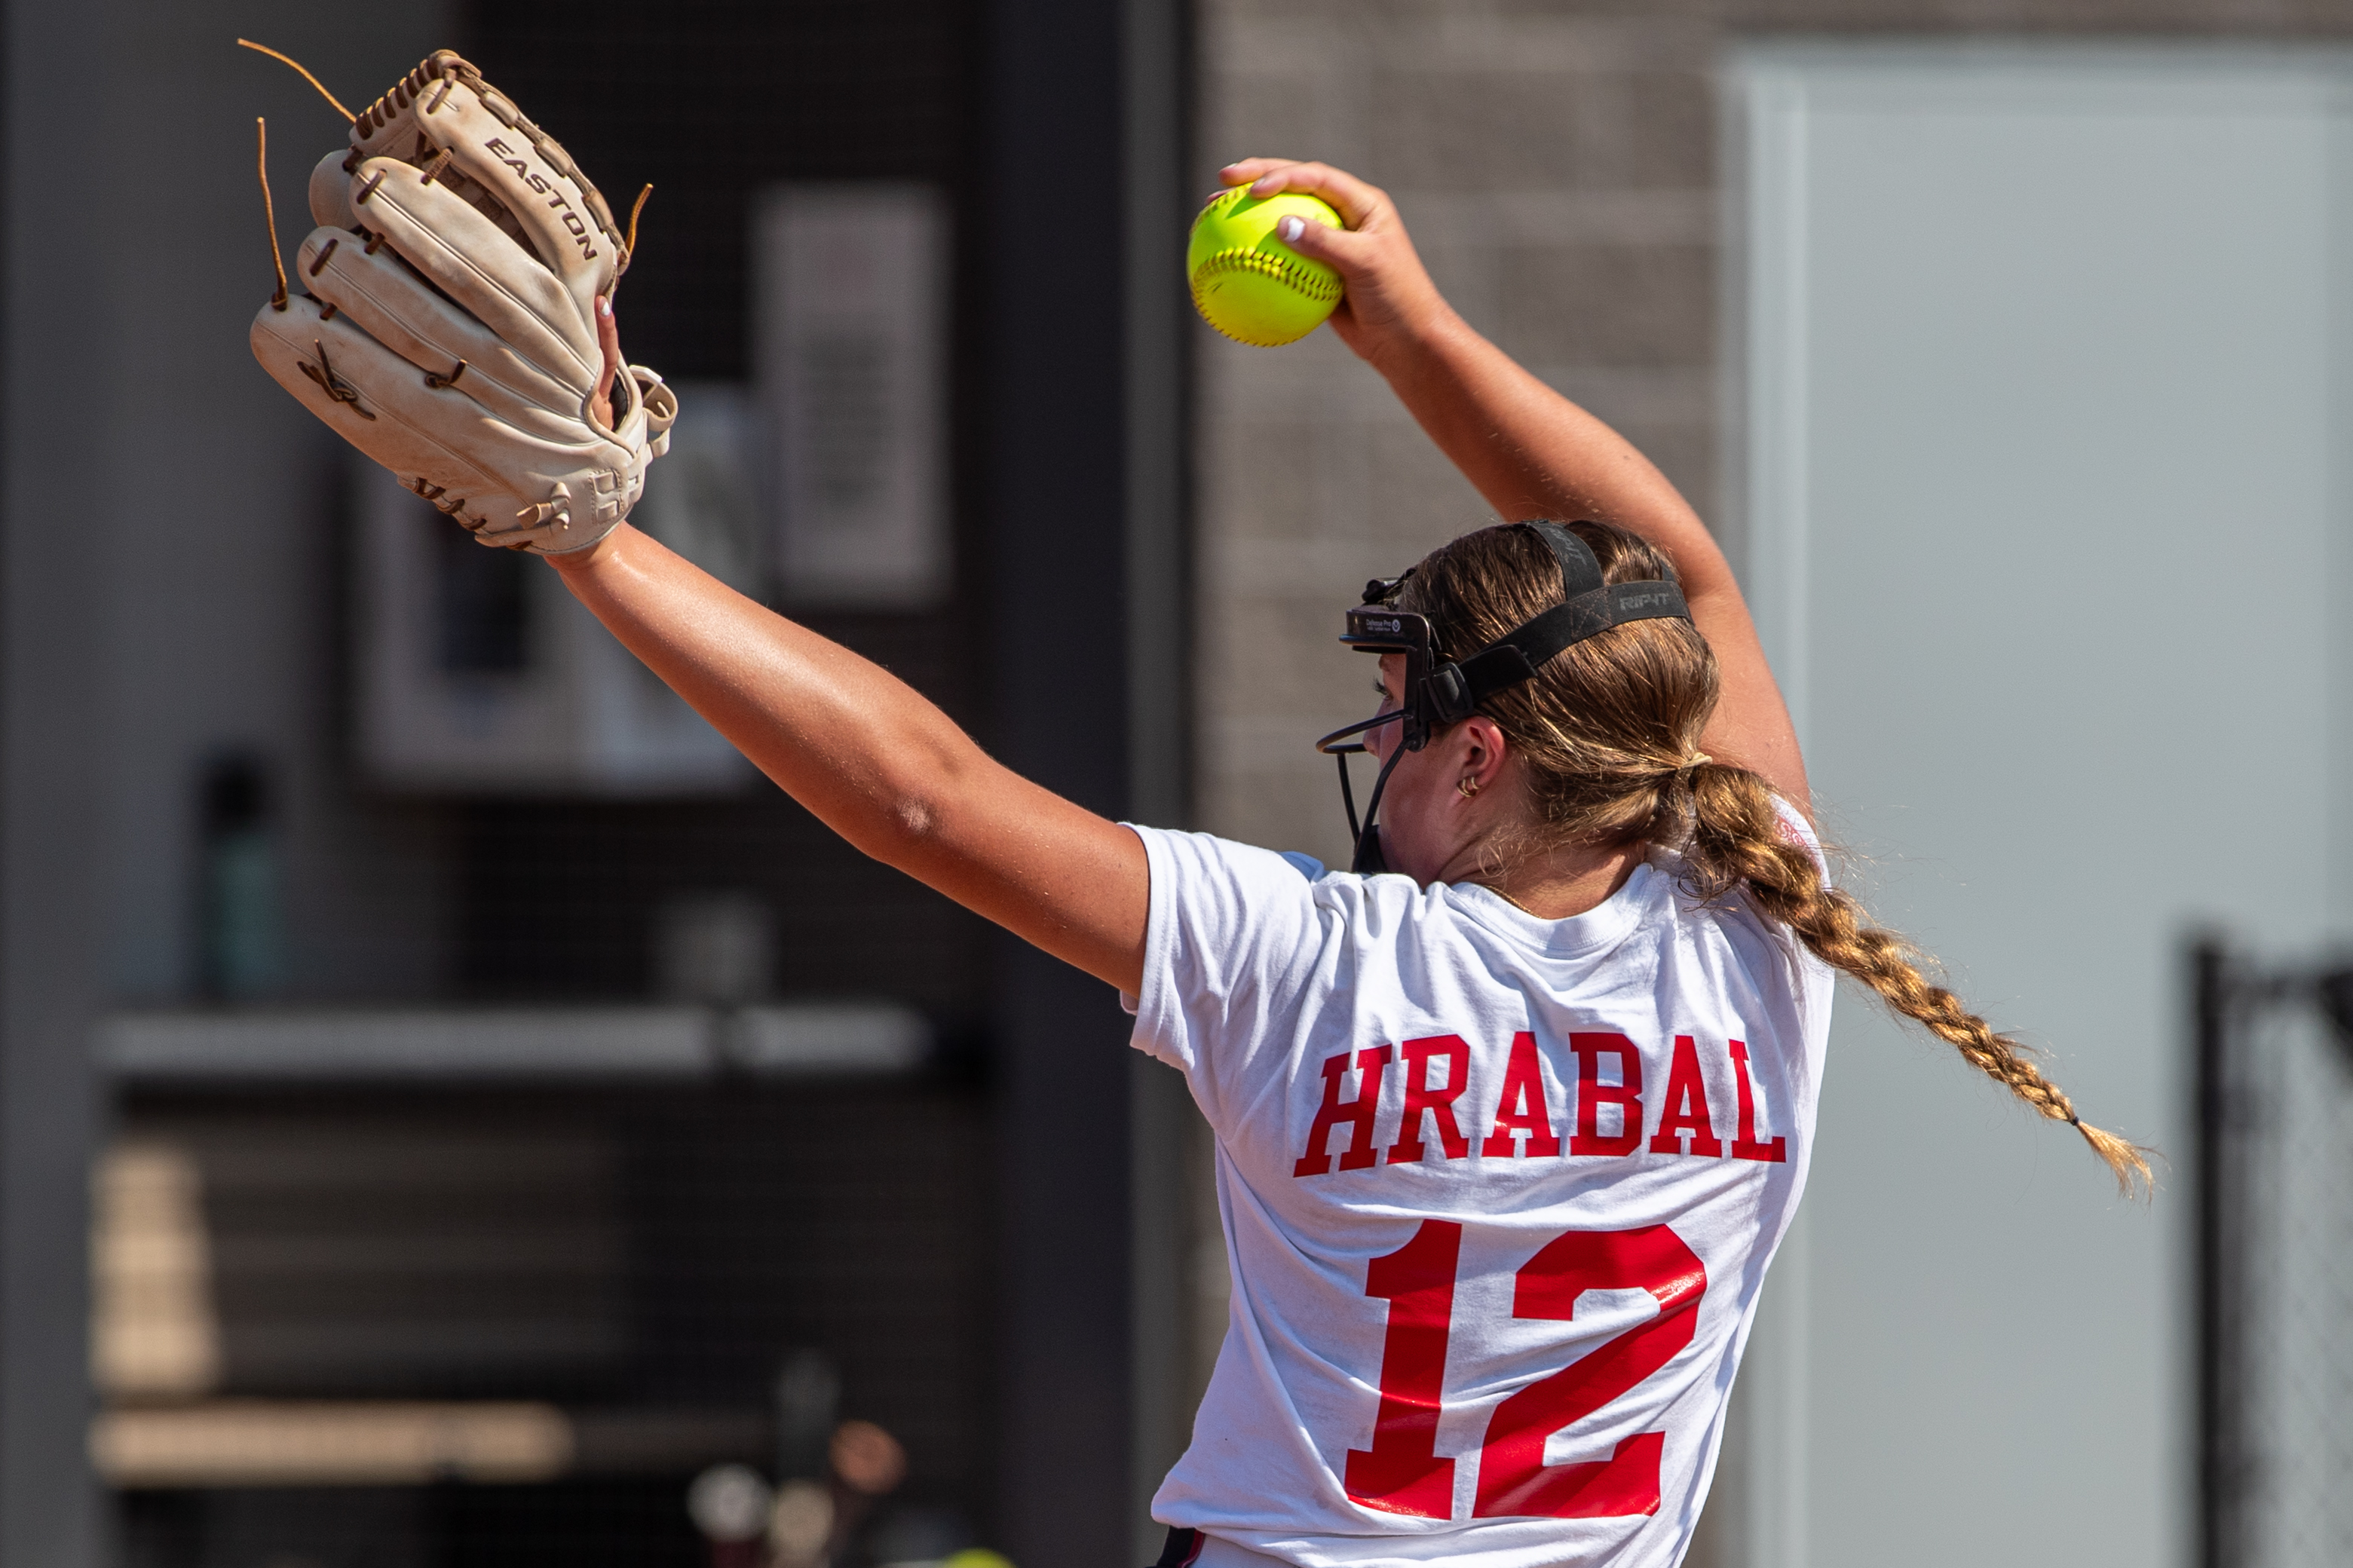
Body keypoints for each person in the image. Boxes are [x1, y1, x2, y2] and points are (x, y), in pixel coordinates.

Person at [574, 161, 2147, 1566]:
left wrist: (584, 536)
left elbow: (920, 799)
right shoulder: (1757, 928)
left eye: (1399, 724)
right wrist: (1413, 329)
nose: (1374, 755)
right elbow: (1692, 582)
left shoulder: (1317, 961)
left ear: (1478, 761)